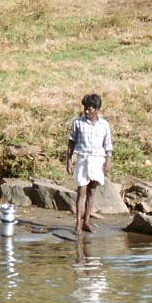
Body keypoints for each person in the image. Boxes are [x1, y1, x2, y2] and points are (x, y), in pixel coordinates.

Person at [66, 93, 113, 236]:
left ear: (97, 109)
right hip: (83, 158)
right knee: (81, 192)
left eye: (90, 109)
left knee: (92, 192)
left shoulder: (104, 124)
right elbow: (71, 142)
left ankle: (86, 221)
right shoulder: (78, 123)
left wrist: (108, 160)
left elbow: (108, 144)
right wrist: (69, 160)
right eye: (85, 108)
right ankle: (78, 224)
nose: (87, 111)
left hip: (98, 159)